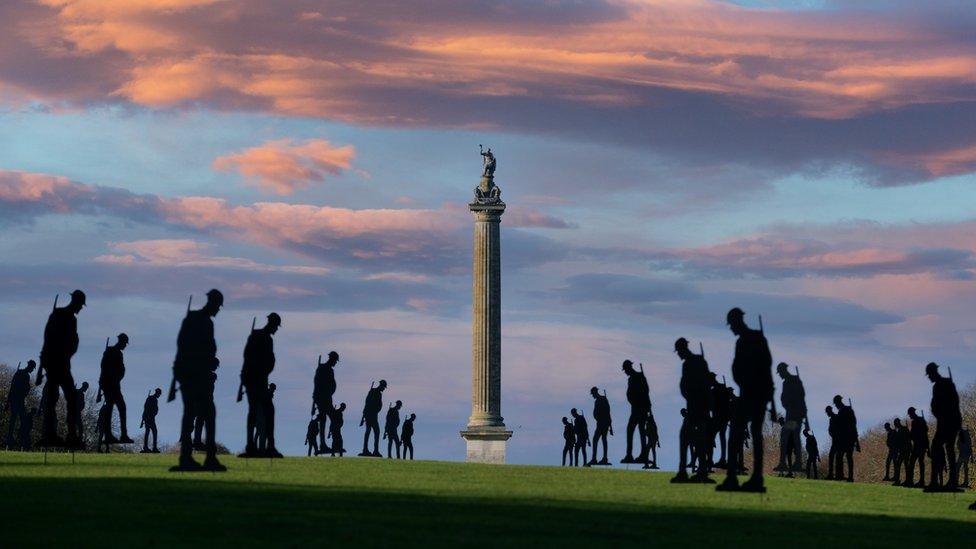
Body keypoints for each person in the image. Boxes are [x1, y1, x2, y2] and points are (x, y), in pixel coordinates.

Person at [717, 308, 775, 493]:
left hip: (754, 394)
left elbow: (764, 366)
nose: (731, 329)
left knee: (741, 433)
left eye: (732, 325)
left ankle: (747, 478)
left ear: (736, 322)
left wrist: (749, 382)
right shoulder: (751, 340)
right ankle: (744, 478)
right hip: (754, 393)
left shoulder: (748, 341)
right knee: (747, 433)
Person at [170, 289, 225, 472]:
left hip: (195, 374)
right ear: (213, 304)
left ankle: (199, 457)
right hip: (194, 375)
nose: (218, 310)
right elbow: (184, 346)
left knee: (200, 415)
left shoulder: (202, 321)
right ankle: (194, 457)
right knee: (199, 414)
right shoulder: (198, 321)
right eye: (218, 306)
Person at [38, 290, 86, 448]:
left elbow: (53, 341)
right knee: (64, 398)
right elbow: (49, 340)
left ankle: (58, 434)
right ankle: (59, 435)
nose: (81, 309)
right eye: (80, 305)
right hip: (57, 363)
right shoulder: (65, 317)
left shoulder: (65, 317)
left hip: (58, 363)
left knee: (58, 399)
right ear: (76, 302)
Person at [239, 313, 281, 458]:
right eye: (276, 326)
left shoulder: (260, 336)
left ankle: (258, 446)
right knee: (266, 410)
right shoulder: (261, 337)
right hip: (254, 379)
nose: (276, 329)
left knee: (256, 410)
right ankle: (260, 446)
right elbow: (249, 357)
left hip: (257, 378)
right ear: (273, 324)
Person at [672, 338, 713, 483]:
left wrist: (691, 395)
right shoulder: (698, 362)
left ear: (682, 349)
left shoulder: (690, 363)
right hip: (698, 405)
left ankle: (686, 472)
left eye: (678, 351)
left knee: (686, 436)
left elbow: (696, 384)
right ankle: (700, 472)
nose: (678, 354)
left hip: (697, 405)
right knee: (698, 439)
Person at [925, 362, 961, 492]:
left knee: (942, 448)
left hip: (949, 421)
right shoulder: (940, 385)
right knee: (944, 448)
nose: (929, 377)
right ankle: (946, 481)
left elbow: (955, 403)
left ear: (933, 373)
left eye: (929, 374)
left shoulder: (945, 384)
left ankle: (947, 481)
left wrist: (958, 425)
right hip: (944, 421)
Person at [99, 333, 133, 444]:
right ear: (122, 342)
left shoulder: (117, 353)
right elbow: (104, 368)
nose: (125, 346)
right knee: (113, 408)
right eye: (125, 343)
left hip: (114, 384)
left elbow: (119, 369)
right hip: (110, 384)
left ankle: (121, 435)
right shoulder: (111, 352)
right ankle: (110, 435)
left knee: (119, 407)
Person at [777, 362, 806, 474]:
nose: (779, 375)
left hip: (795, 414)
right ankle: (787, 463)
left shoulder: (794, 380)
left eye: (780, 373)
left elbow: (801, 396)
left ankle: (794, 463)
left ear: (784, 370)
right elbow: (785, 398)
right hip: (791, 412)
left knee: (789, 435)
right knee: (790, 435)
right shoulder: (786, 382)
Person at [620, 360, 651, 464]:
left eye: (625, 370)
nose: (625, 372)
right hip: (639, 407)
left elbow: (645, 392)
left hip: (639, 408)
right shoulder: (638, 377)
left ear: (628, 368)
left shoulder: (636, 377)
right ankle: (642, 455)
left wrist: (637, 402)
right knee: (640, 430)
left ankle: (633, 455)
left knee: (632, 430)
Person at [4, 360, 36, 449]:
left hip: (20, 401)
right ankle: (10, 439)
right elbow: (12, 387)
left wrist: (27, 388)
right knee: (13, 420)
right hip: (15, 400)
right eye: (32, 368)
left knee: (23, 421)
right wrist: (8, 402)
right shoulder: (20, 373)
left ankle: (20, 439)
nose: (33, 370)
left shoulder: (26, 375)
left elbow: (26, 389)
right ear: (29, 366)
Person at [312, 352, 339, 453]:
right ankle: (323, 445)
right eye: (335, 361)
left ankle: (333, 444)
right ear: (332, 359)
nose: (335, 363)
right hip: (322, 399)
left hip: (327, 398)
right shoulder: (322, 368)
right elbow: (317, 383)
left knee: (331, 420)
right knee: (325, 421)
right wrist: (316, 398)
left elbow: (331, 384)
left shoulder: (328, 369)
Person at [832, 395, 859, 482]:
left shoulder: (843, 411)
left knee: (841, 456)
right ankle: (847, 476)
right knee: (848, 457)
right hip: (849, 438)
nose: (835, 406)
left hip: (845, 438)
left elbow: (851, 424)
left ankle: (841, 476)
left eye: (836, 404)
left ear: (838, 402)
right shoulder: (847, 410)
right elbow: (854, 424)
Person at [709, 373, 732, 469]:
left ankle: (712, 460)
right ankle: (721, 459)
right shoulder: (721, 388)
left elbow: (712, 405)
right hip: (723, 417)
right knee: (721, 437)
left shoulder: (715, 390)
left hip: (718, 418)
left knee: (711, 437)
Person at [359, 380, 386, 457]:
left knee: (373, 432)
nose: (384, 389)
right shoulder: (373, 392)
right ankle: (367, 450)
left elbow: (378, 404)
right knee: (371, 431)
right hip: (370, 415)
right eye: (383, 387)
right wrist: (363, 417)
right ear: (381, 385)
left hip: (373, 415)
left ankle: (373, 450)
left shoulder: (377, 393)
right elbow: (367, 403)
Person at [904, 407, 929, 488]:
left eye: (910, 414)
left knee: (912, 463)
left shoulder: (915, 422)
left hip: (918, 445)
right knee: (920, 463)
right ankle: (919, 481)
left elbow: (912, 435)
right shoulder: (921, 420)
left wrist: (908, 432)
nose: (910, 416)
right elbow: (926, 432)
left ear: (912, 413)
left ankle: (911, 481)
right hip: (922, 445)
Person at [588, 387, 613, 466]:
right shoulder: (599, 400)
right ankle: (600, 458)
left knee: (598, 439)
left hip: (603, 423)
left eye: (593, 394)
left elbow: (608, 412)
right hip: (601, 423)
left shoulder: (602, 399)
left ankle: (600, 458)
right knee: (601, 439)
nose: (592, 396)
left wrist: (610, 426)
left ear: (595, 392)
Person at [140, 388, 162, 453]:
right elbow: (146, 408)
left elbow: (155, 409)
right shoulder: (151, 398)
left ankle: (152, 447)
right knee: (150, 431)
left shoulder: (154, 399)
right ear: (157, 393)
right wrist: (144, 418)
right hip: (148, 417)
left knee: (153, 431)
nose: (159, 396)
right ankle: (147, 447)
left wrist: (154, 413)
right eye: (159, 394)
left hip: (151, 417)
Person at [824, 405, 838, 480]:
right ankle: (831, 474)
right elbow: (830, 430)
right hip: (834, 440)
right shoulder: (831, 419)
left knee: (835, 456)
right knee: (832, 456)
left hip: (838, 440)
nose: (827, 414)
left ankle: (834, 475)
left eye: (827, 412)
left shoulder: (836, 417)